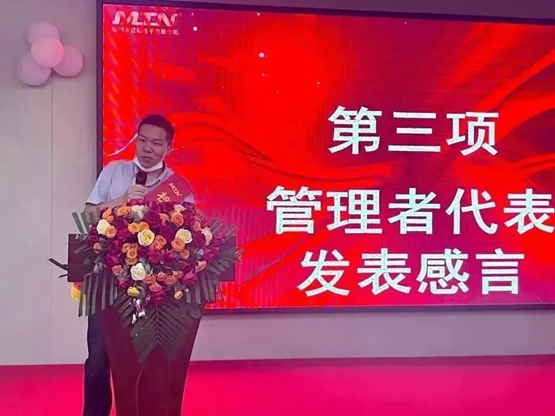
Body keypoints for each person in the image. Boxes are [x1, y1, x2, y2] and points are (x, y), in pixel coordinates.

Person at [83, 114, 192, 416]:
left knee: (149, 360)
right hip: (108, 282)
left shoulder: (177, 187)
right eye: (142, 140)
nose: (147, 148)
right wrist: (121, 200)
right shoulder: (114, 172)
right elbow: (88, 215)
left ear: (169, 148)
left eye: (156, 143)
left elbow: (190, 237)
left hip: (157, 290)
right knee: (99, 357)